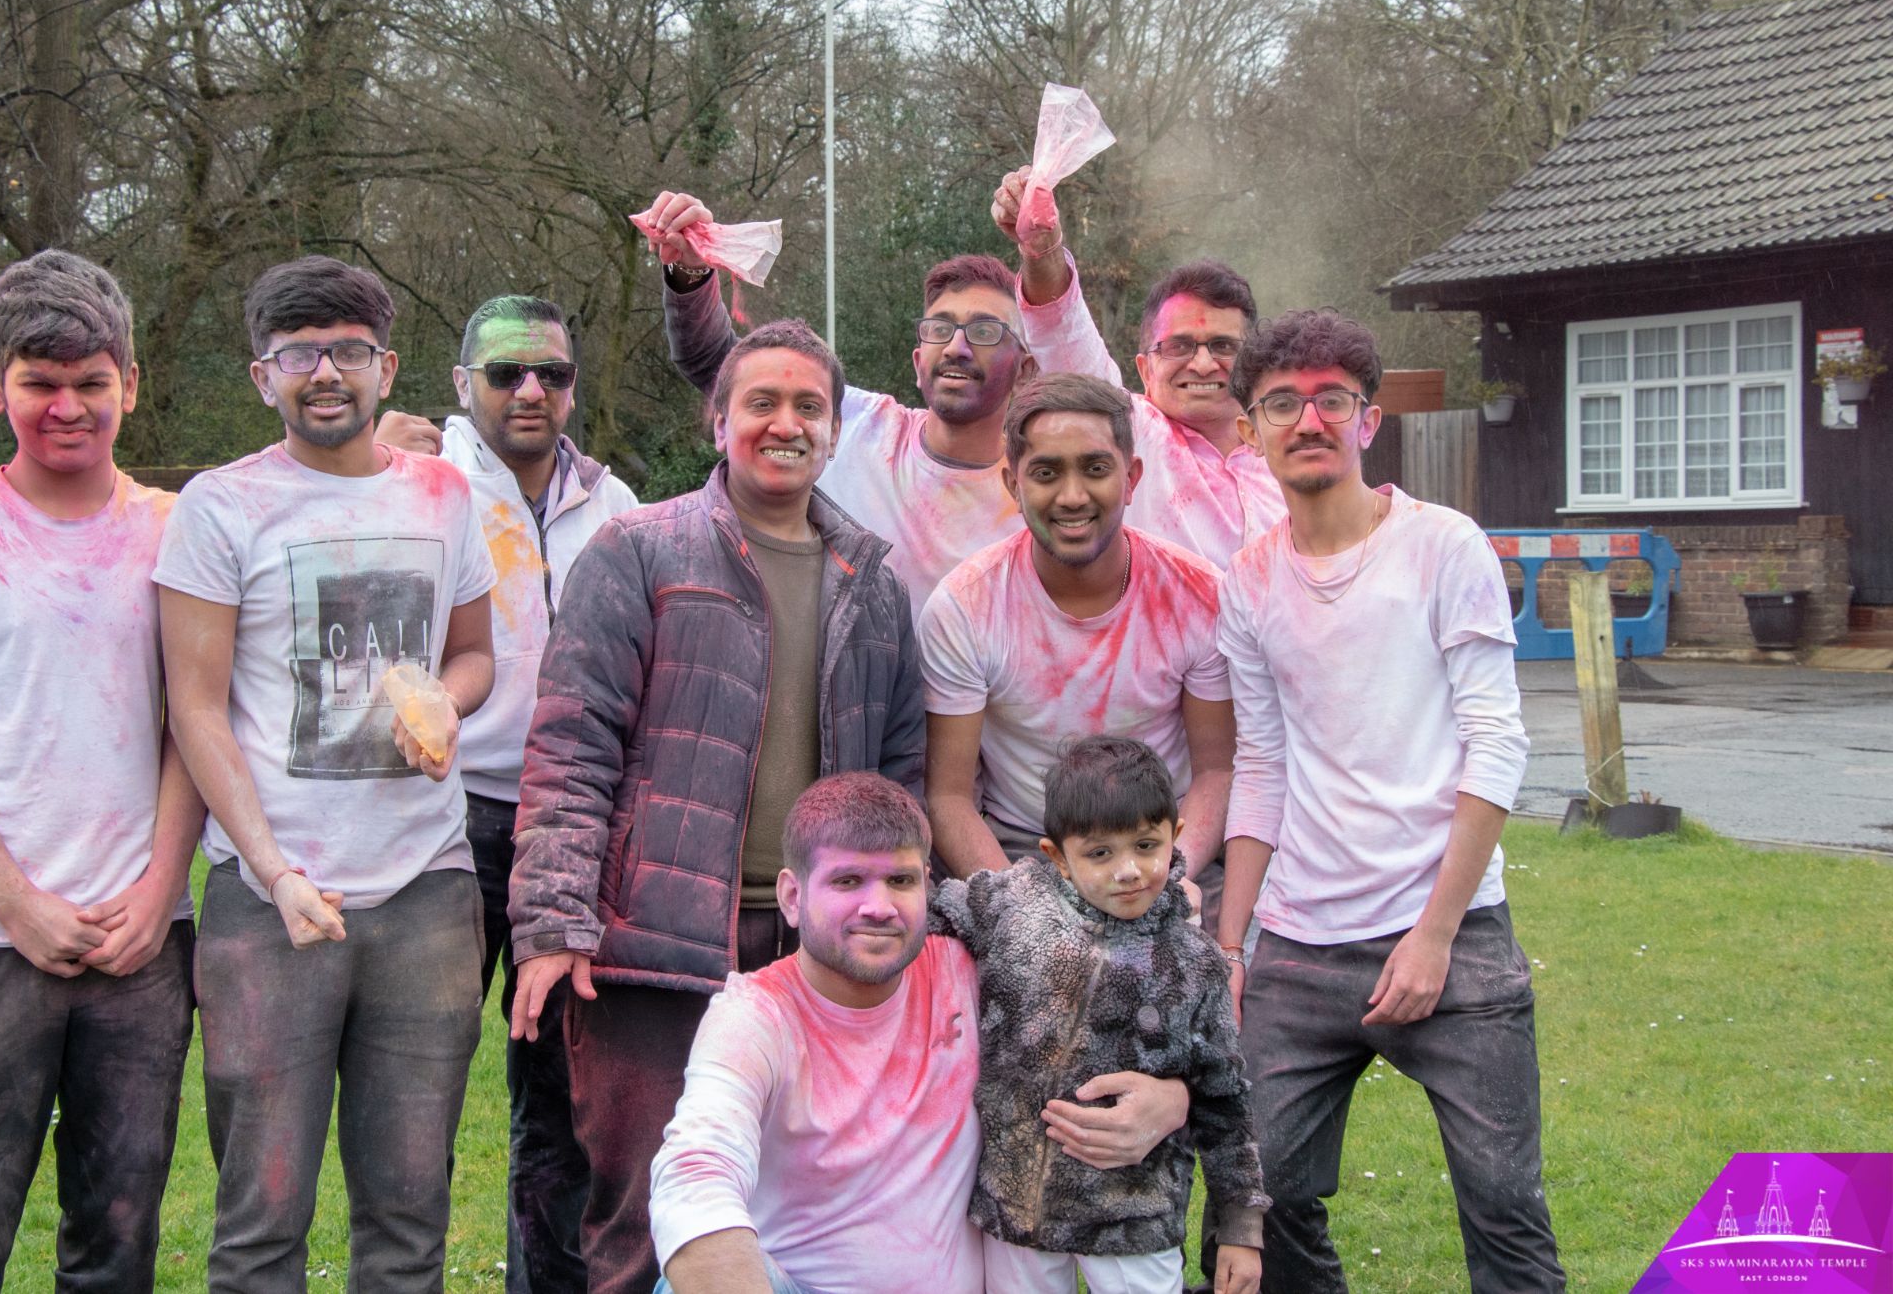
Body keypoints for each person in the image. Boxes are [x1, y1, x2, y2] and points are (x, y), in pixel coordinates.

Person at [507, 320, 924, 1294]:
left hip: (809, 948)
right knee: (647, 1222)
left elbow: (898, 782)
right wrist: (554, 922)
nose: (784, 424)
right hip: (650, 957)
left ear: (833, 429)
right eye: (761, 404)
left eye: (808, 407)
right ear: (718, 418)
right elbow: (570, 747)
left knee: (794, 1216)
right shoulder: (636, 552)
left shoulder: (873, 583)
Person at [156, 255, 498, 1292]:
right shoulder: (218, 508)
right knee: (260, 1223)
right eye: (297, 354)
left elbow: (476, 655)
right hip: (271, 904)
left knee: (408, 1221)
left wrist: (447, 698)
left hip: (428, 896)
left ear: (385, 367)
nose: (324, 373)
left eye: (346, 350)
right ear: (262, 375)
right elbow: (196, 707)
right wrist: (270, 868)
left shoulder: (444, 496)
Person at [1214, 309, 1564, 1293]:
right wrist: (1232, 944)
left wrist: (1433, 935)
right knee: (1258, 1199)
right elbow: (1261, 763)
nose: (1306, 419)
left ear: (1367, 420)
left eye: (1331, 399)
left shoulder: (1442, 548)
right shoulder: (1246, 583)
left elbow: (1496, 741)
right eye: (1280, 403)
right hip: (1297, 945)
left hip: (1450, 943)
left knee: (1502, 1210)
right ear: (1251, 428)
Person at [0, 250, 200, 1293]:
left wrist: (158, 896)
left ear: (131, 385)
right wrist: (15, 903)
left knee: (115, 1247)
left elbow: (188, 728)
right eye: (39, 382)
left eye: (91, 382)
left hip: (138, 949)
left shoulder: (173, 533)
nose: (67, 407)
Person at [649, 772, 1197, 1294]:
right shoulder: (755, 1016)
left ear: (927, 886)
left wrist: (1175, 1099)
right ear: (793, 897)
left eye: (901, 880)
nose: (879, 907)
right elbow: (696, 1172)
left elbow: (1130, 1003)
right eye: (847, 881)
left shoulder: (972, 970)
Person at [379, 293, 637, 1293]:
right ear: (459, 384)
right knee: (417, 1098)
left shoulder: (614, 505)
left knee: (563, 1101)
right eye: (503, 373)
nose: (530, 391)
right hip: (445, 821)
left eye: (553, 374)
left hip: (572, 824)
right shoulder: (409, 480)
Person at [931, 737, 1267, 1294]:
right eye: (1100, 853)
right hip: (1017, 1208)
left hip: (1133, 1216)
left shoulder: (1192, 964)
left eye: (1145, 844)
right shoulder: (1012, 905)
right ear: (1057, 856)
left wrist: (1240, 1225)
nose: (1129, 870)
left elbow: (1226, 1098)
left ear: (1175, 835)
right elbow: (928, 912)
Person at [635, 191, 1039, 618]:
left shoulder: (1043, 489)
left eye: (985, 331)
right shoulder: (856, 425)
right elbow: (719, 362)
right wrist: (690, 271)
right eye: (940, 328)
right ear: (918, 362)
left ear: (1026, 370)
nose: (957, 347)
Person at [916, 373, 1235, 897]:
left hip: (1162, 848)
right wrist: (1018, 907)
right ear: (1012, 485)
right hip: (1021, 851)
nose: (1071, 496)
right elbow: (948, 797)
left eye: (1095, 469)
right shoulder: (965, 608)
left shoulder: (1199, 596)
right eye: (1046, 472)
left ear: (1131, 478)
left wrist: (1168, 876)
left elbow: (1216, 773)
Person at [990, 167, 1286, 568]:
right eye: (1178, 346)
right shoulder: (1132, 434)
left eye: (1222, 346)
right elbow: (1064, 333)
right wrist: (1042, 250)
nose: (1202, 364)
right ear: (1145, 370)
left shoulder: (1290, 452)